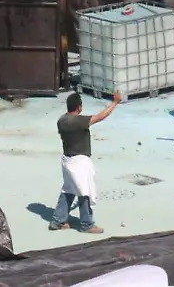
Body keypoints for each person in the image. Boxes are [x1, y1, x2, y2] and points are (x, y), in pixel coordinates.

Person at [49, 91, 120, 234]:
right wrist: (115, 102)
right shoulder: (78, 122)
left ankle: (58, 220)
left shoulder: (61, 121)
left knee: (68, 190)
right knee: (85, 192)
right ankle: (87, 224)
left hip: (67, 161)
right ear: (79, 107)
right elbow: (101, 116)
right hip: (79, 162)